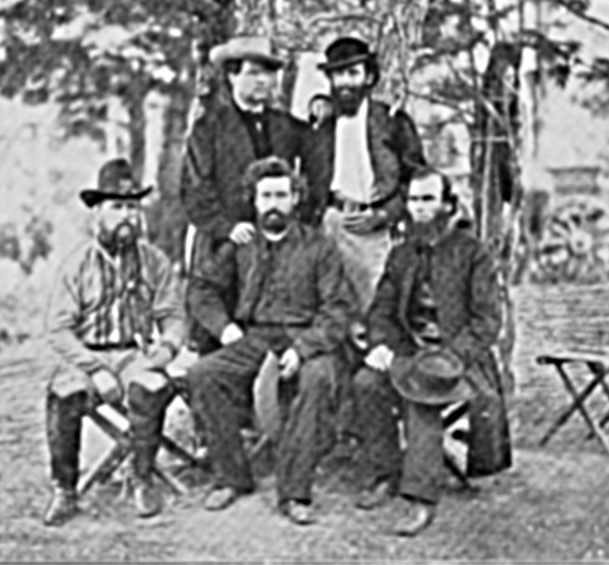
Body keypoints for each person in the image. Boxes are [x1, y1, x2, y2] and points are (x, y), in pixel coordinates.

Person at [186, 156, 358, 526]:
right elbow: (201, 290)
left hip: (307, 338)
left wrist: (303, 349)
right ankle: (232, 476)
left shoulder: (319, 247)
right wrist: (225, 329)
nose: (274, 204)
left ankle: (295, 492)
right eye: (266, 196)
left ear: (295, 198)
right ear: (254, 200)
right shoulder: (242, 244)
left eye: (282, 195)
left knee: (315, 380)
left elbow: (338, 308)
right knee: (203, 374)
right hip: (254, 338)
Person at [352, 167, 512, 537]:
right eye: (413, 200)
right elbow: (381, 311)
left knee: (422, 394)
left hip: (459, 359)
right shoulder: (401, 254)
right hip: (409, 351)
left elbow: (488, 321)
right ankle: (385, 472)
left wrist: (452, 357)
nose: (419, 208)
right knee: (365, 383)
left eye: (427, 199)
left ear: (447, 205)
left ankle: (421, 498)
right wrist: (381, 345)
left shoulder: (473, 253)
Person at [42, 159, 188, 526]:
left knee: (152, 388)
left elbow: (173, 316)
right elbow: (58, 329)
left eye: (132, 208)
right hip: (87, 357)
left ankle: (142, 478)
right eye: (117, 207)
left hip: (135, 355)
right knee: (63, 396)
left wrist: (166, 348)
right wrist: (95, 369)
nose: (126, 216)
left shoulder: (154, 262)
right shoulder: (77, 265)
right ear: (98, 213)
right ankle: (65, 490)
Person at [180, 36, 311, 300]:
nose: (263, 81)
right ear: (232, 77)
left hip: (275, 243)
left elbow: (313, 164)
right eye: (253, 73)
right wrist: (226, 227)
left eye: (269, 74)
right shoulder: (209, 128)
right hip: (223, 244)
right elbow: (195, 187)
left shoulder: (286, 127)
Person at [307, 36, 426, 313]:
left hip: (374, 227)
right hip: (331, 224)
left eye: (353, 73)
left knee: (375, 309)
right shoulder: (322, 124)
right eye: (338, 75)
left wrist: (384, 215)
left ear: (369, 77)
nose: (345, 83)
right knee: (329, 307)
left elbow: (417, 182)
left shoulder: (392, 122)